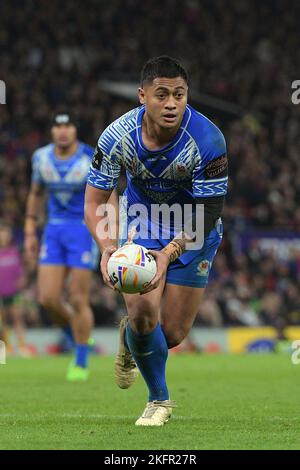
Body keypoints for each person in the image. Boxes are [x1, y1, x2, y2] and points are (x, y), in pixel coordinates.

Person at [85, 56, 228, 424]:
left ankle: (129, 338)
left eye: (179, 95)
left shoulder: (208, 139)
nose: (171, 104)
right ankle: (158, 400)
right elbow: (95, 200)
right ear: (142, 96)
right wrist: (107, 248)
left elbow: (208, 210)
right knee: (144, 317)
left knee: (174, 333)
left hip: (194, 229)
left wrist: (170, 252)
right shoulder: (116, 137)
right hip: (142, 225)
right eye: (161, 94)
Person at [24, 111, 118, 381]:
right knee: (48, 299)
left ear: (75, 129)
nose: (63, 131)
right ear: (52, 131)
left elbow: (109, 192)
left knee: (78, 297)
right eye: (57, 126)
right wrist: (30, 231)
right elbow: (35, 194)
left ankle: (80, 358)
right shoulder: (41, 158)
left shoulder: (90, 157)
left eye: (68, 125)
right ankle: (79, 335)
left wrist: (110, 229)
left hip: (82, 230)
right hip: (53, 230)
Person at [0, 221, 33, 356]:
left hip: (15, 292)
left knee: (18, 319)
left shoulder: (15, 251)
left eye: (6, 234)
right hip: (1, 293)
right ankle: (7, 347)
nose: (4, 236)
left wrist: (23, 280)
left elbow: (23, 271)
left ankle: (22, 346)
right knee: (3, 321)